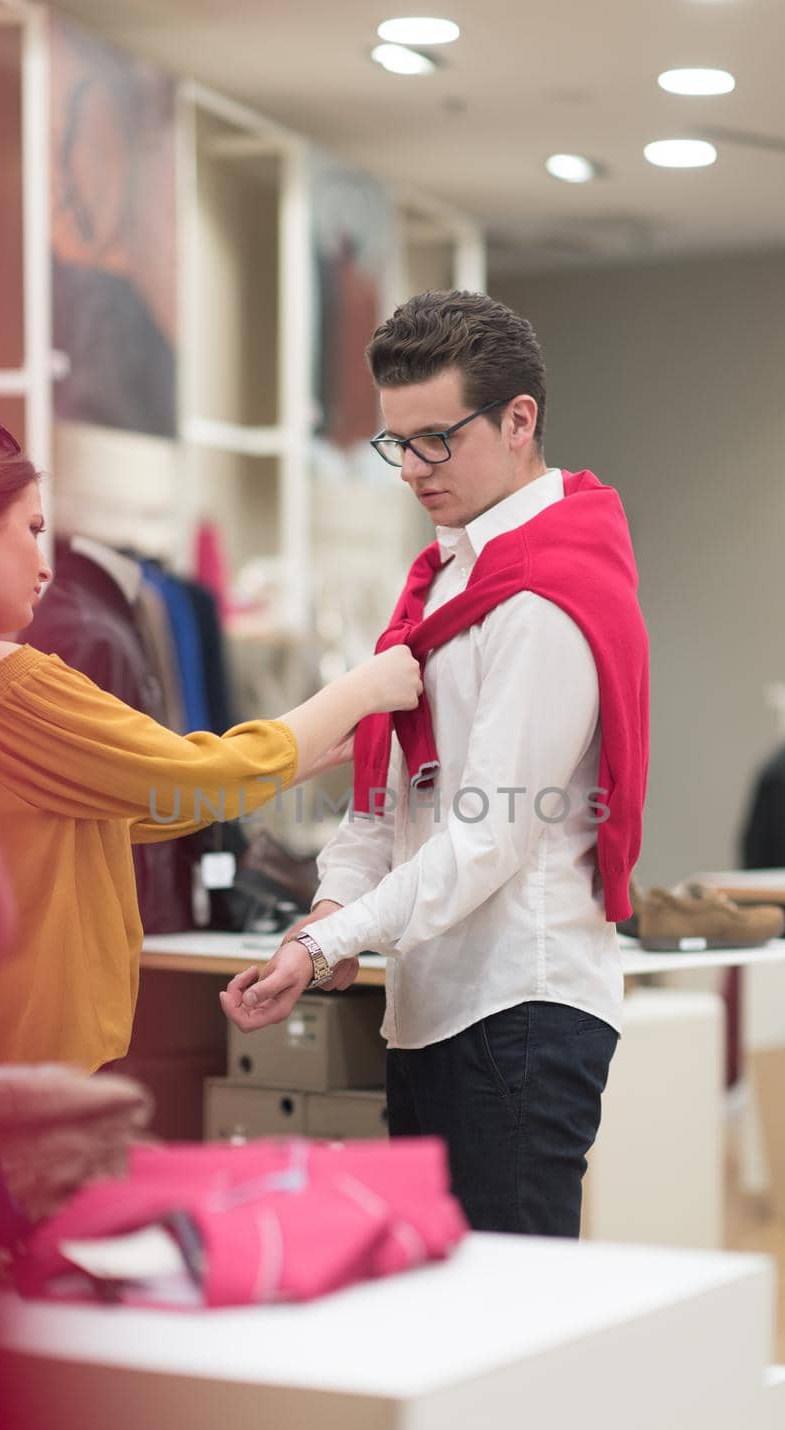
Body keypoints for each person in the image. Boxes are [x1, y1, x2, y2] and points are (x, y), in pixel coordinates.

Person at [221, 291, 649, 1239]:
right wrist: (328, 914)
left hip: (520, 1008)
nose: (412, 469)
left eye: (436, 440)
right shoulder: (445, 579)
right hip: (431, 1003)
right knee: (444, 1331)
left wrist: (329, 945)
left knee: (509, 1341)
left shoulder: (542, 597)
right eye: (395, 444)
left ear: (519, 420)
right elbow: (384, 806)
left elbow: (486, 837)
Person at [0, 423, 421, 1074]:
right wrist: (361, 687)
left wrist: (306, 756)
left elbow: (141, 806)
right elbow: (195, 780)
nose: (47, 566)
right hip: (36, 1067)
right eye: (34, 530)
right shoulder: (2, 682)